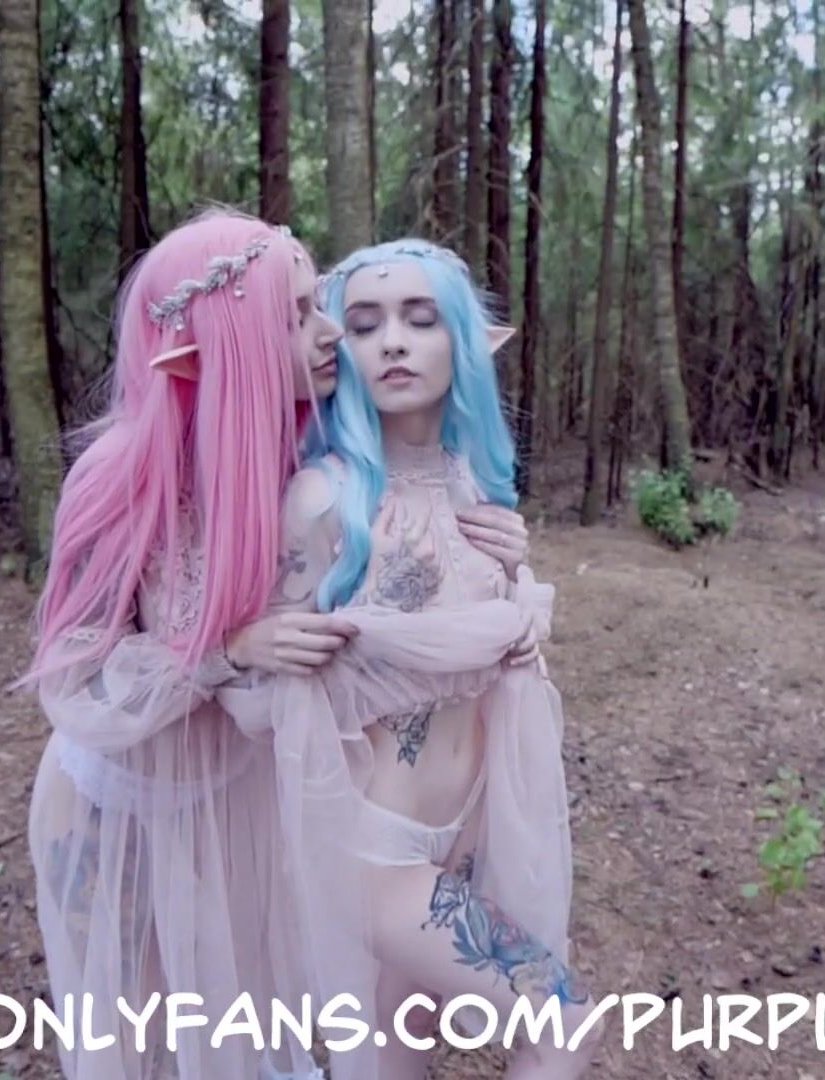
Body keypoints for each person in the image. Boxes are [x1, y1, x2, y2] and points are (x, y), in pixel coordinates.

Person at [16, 213, 531, 1079]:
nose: (329, 331)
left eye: (319, 305)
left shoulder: (305, 451)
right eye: (297, 314)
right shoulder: (121, 474)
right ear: (231, 339)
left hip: (239, 791)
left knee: (243, 1025)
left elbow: (397, 546)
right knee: (147, 1036)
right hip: (122, 803)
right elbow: (76, 682)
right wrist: (227, 649)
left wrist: (498, 560)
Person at [217, 239, 603, 1080]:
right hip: (373, 846)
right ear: (336, 347)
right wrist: (254, 643)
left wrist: (517, 594)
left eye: (420, 319)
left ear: (461, 339)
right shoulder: (322, 499)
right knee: (564, 1022)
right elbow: (257, 688)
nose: (393, 341)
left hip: (462, 828)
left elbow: (485, 641)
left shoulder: (473, 483)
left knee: (399, 1049)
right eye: (364, 325)